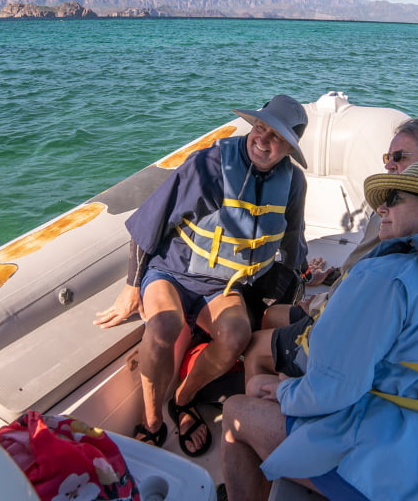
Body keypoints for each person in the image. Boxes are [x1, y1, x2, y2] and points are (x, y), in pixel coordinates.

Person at [221, 161, 418, 501]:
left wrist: (286, 391)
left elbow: (334, 389)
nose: (382, 208)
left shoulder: (387, 276)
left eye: (394, 198)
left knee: (237, 409)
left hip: (390, 466)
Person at [94, 95, 309, 457]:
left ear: (289, 147)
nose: (263, 140)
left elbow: (291, 241)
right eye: (260, 128)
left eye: (277, 137)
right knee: (163, 326)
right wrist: (132, 287)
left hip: (223, 284)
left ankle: (183, 399)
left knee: (237, 335)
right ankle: (152, 423)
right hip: (172, 270)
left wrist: (298, 284)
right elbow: (150, 223)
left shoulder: (292, 183)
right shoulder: (209, 165)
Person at [243, 115, 418, 382]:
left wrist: (320, 303)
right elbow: (361, 272)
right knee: (271, 314)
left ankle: (277, 398)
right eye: (387, 156)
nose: (390, 164)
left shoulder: (403, 218)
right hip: (354, 310)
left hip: (350, 327)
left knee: (256, 345)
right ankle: (286, 376)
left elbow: (365, 290)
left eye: (400, 156)